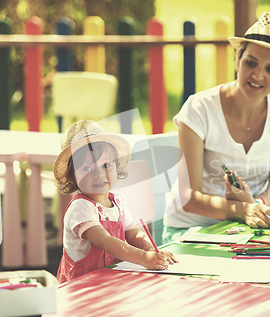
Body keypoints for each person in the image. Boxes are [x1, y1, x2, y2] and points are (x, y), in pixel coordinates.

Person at [163, 12, 270, 243]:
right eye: (251, 62)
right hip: (192, 231)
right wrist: (243, 210)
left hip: (247, 228)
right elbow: (188, 197)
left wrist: (255, 207)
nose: (258, 75)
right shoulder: (199, 108)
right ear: (237, 59)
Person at [53, 119, 177, 283]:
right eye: (87, 168)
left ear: (117, 165)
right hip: (81, 285)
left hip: (109, 280)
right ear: (72, 176)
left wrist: (152, 250)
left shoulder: (118, 201)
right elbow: (105, 241)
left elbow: (134, 233)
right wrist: (143, 258)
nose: (98, 174)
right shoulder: (80, 207)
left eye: (105, 165)